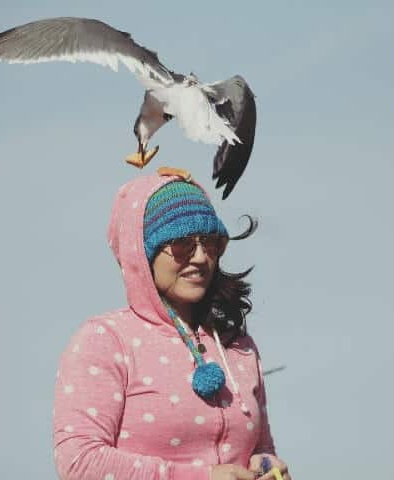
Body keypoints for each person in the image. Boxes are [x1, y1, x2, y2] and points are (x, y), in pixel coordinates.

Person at [53, 171, 291, 480]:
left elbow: (261, 447)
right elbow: (79, 463)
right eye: (181, 245)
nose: (201, 257)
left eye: (210, 242)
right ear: (143, 252)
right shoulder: (106, 340)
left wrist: (266, 464)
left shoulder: (239, 346)